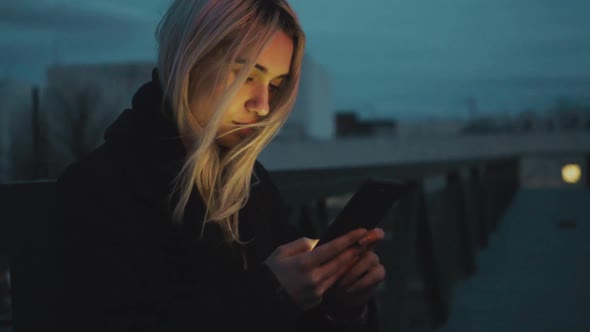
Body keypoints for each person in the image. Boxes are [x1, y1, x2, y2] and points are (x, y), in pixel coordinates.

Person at [47, 1, 386, 331]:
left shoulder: (252, 185)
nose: (263, 106)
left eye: (275, 86)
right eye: (245, 75)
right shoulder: (100, 188)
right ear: (189, 58)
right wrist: (271, 296)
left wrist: (341, 307)